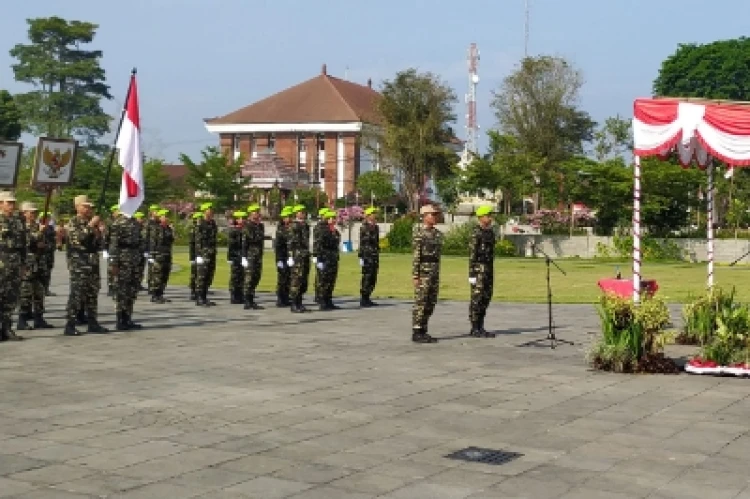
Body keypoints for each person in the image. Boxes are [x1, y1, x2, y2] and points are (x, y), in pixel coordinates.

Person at [64, 195, 108, 336]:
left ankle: (92, 322)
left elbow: (100, 245)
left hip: (92, 262)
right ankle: (70, 324)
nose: (89, 209)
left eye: (90, 206)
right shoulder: (73, 222)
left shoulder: (91, 223)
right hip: (79, 263)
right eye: (85, 206)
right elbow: (79, 239)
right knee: (77, 294)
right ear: (77, 207)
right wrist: (90, 226)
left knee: (92, 293)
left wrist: (100, 232)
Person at [17, 201, 53, 331]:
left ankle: (39, 318)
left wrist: (44, 244)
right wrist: (39, 234)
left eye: (35, 212)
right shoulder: (21, 226)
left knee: (40, 291)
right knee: (26, 292)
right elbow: (24, 242)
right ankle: (22, 319)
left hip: (40, 263)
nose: (34, 214)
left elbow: (47, 243)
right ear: (24, 213)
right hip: (28, 263)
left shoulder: (37, 226)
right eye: (31, 212)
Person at [411, 204, 443, 344]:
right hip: (423, 272)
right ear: (425, 216)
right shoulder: (420, 234)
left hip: (434, 271)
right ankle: (417, 330)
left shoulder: (437, 234)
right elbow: (416, 256)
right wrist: (415, 275)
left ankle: (424, 329)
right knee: (421, 302)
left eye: (436, 215)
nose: (435, 217)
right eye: (432, 214)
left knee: (431, 301)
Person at [110, 208, 144, 330]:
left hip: (135, 258)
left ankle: (128, 318)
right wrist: (113, 262)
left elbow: (140, 241)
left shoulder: (135, 222)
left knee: (132, 290)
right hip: (123, 259)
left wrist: (141, 258)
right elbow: (113, 244)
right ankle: (120, 319)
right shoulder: (118, 223)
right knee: (122, 290)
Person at [0, 191, 26, 341]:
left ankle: (7, 327)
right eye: (8, 202)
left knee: (11, 296)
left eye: (12, 202)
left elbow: (23, 243)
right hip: (2, 259)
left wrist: (23, 263)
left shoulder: (18, 220)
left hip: (14, 261)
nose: (11, 205)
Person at [468, 206, 496, 338]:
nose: (490, 218)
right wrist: (472, 274)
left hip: (489, 268)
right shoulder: (476, 232)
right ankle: (474, 327)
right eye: (488, 215)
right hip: (478, 268)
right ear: (481, 217)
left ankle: (481, 325)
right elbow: (472, 254)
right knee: (477, 298)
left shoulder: (490, 232)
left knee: (486, 296)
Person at [287, 204, 311, 313]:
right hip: (297, 255)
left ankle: (299, 302)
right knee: (296, 280)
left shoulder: (305, 225)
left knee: (303, 280)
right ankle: (294, 303)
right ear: (296, 213)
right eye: (300, 212)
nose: (302, 213)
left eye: (303, 211)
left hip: (305, 254)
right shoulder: (294, 225)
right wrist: (290, 256)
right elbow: (290, 242)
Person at [241, 204, 265, 310]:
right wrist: (243, 257)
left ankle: (251, 299)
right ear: (251, 214)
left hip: (258, 255)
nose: (257, 213)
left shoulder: (260, 225)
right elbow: (245, 242)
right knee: (249, 278)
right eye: (255, 212)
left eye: (258, 211)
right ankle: (247, 300)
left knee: (256, 277)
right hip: (250, 255)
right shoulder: (248, 226)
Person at [317, 209, 341, 311]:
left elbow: (337, 242)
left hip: (333, 258)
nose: (334, 220)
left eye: (334, 218)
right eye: (332, 218)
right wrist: (319, 259)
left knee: (331, 280)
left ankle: (329, 300)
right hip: (325, 258)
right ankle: (323, 302)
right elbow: (320, 245)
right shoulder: (323, 230)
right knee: (324, 281)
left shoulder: (334, 231)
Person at [194, 202, 218, 306]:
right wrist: (198, 255)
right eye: (209, 209)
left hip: (211, 252)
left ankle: (204, 296)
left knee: (209, 275)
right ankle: (199, 297)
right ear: (205, 211)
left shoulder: (212, 223)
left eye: (212, 210)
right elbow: (198, 240)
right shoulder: (200, 224)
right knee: (201, 276)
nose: (211, 211)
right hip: (203, 252)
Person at [149, 209, 175, 303]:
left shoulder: (168, 228)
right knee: (157, 276)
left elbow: (171, 241)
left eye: (167, 216)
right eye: (164, 216)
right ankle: (154, 295)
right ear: (160, 218)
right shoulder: (155, 228)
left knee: (165, 275)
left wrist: (172, 231)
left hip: (167, 254)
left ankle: (160, 294)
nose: (166, 218)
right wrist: (151, 255)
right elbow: (152, 242)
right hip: (158, 255)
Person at [358, 206, 380, 307]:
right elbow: (362, 243)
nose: (374, 215)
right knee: (367, 276)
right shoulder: (364, 227)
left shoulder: (376, 227)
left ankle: (368, 297)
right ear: (368, 216)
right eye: (372, 214)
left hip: (374, 255)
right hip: (367, 255)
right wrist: (361, 256)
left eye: (375, 213)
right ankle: (364, 298)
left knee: (373, 277)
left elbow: (376, 242)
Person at [273, 206, 293, 307]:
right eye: (286, 217)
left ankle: (286, 297)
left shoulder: (292, 228)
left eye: (289, 217)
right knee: (282, 279)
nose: (288, 219)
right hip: (283, 257)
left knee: (289, 278)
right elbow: (278, 247)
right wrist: (279, 259)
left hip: (290, 257)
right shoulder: (280, 230)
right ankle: (280, 299)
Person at [226, 211, 245, 304]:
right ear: (236, 220)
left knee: (242, 276)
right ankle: (234, 295)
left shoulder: (244, 230)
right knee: (235, 276)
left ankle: (240, 295)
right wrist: (230, 258)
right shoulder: (233, 230)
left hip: (243, 256)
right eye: (240, 218)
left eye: (243, 218)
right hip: (235, 256)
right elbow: (231, 245)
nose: (242, 220)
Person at [311, 207, 328, 304]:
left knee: (325, 276)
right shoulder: (318, 227)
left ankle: (322, 295)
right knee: (320, 276)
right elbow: (316, 242)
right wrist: (316, 256)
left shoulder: (327, 227)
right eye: (326, 215)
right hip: (320, 254)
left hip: (327, 255)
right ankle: (318, 295)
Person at [39, 211, 57, 297]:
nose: (46, 219)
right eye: (44, 218)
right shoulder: (38, 227)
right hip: (41, 254)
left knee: (48, 272)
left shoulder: (50, 228)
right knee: (41, 273)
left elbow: (53, 238)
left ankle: (46, 289)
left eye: (48, 218)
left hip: (49, 253)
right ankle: (40, 290)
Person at [104, 204, 120, 297]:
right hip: (112, 248)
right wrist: (105, 249)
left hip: (119, 249)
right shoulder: (109, 222)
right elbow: (106, 236)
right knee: (111, 269)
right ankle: (111, 288)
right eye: (117, 211)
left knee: (118, 269)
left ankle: (117, 287)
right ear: (113, 212)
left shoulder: (120, 221)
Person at [144, 204, 160, 293]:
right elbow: (145, 236)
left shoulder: (158, 223)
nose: (157, 212)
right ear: (151, 212)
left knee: (157, 268)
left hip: (158, 248)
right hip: (150, 247)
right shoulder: (148, 223)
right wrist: (146, 250)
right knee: (151, 268)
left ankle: (155, 285)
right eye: (155, 211)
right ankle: (151, 285)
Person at [188, 212, 202, 300]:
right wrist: (192, 257)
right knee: (194, 274)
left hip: (201, 254)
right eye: (198, 218)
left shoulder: (201, 228)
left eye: (200, 218)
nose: (199, 220)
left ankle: (198, 290)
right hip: (195, 254)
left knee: (199, 274)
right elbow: (191, 244)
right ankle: (193, 291)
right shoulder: (193, 229)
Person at [133, 212, 147, 290]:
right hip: (136, 251)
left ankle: (139, 284)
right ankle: (134, 284)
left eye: (142, 218)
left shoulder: (143, 227)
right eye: (140, 218)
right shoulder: (134, 227)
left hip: (142, 251)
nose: (142, 219)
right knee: (136, 269)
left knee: (141, 268)